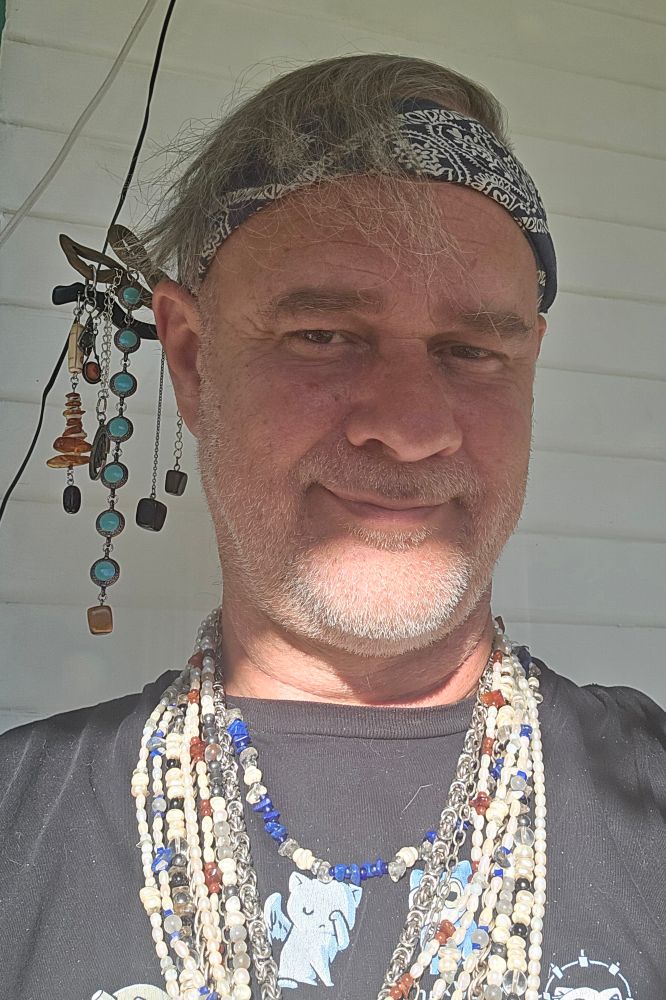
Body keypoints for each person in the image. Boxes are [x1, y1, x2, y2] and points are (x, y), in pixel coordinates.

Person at [0, 54, 664, 1000]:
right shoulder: (18, 830)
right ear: (191, 360)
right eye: (324, 334)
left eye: (473, 350)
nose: (409, 424)